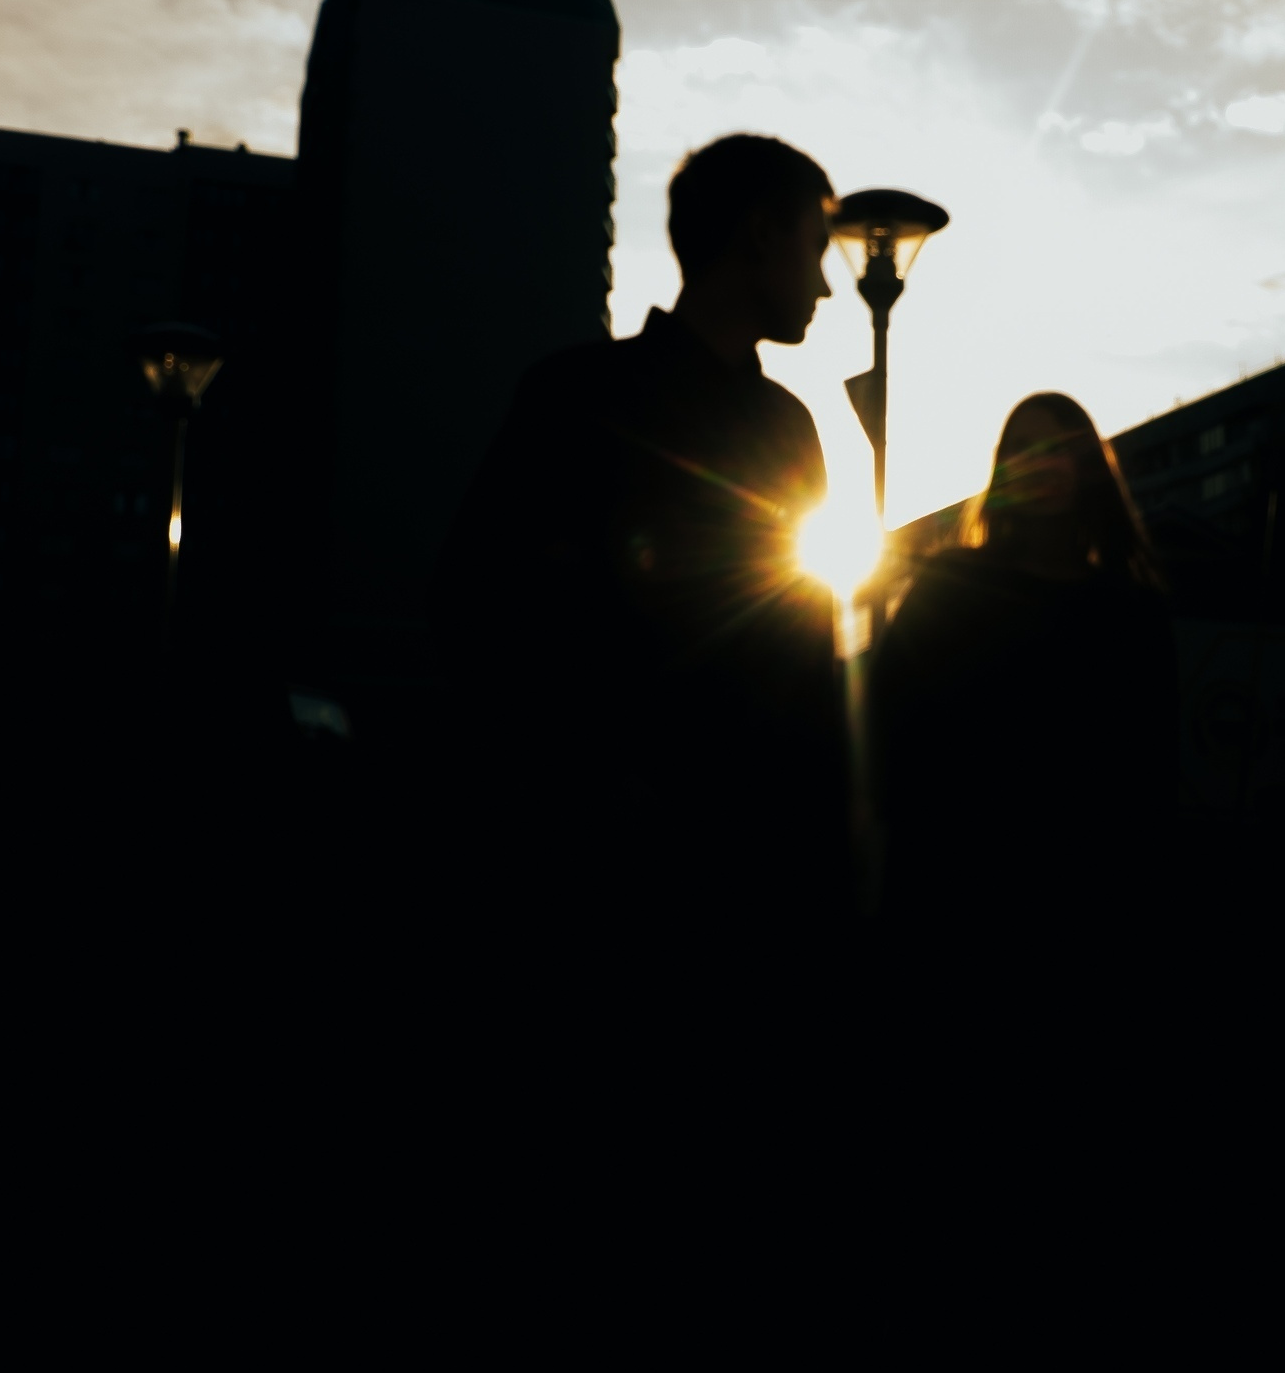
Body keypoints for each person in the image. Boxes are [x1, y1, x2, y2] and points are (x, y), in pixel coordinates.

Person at [439, 134, 850, 993]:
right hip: (603, 871)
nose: (824, 284)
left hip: (723, 866)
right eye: (817, 248)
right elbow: (489, 610)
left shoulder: (587, 393)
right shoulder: (578, 399)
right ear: (760, 234)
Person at [870, 391, 1177, 1039]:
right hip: (954, 897)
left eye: (1059, 448)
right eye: (1023, 448)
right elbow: (888, 725)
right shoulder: (951, 584)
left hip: (1083, 907)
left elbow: (1150, 775)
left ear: (1087, 466)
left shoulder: (1129, 613)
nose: (1040, 463)